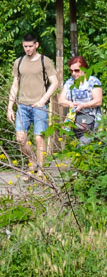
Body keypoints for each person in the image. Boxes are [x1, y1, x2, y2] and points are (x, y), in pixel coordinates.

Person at [6, 34, 58, 173]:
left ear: (36, 45)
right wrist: (10, 107)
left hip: (39, 105)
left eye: (30, 46)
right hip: (22, 105)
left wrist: (43, 100)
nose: (27, 49)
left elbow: (55, 83)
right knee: (20, 139)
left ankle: (40, 170)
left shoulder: (44, 61)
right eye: (25, 46)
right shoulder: (19, 62)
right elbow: (15, 85)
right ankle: (32, 162)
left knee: (38, 138)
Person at [57, 55, 103, 142]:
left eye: (77, 70)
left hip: (91, 119)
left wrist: (83, 105)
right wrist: (70, 104)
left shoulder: (93, 81)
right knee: (72, 146)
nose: (74, 73)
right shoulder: (69, 82)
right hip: (73, 120)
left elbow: (98, 101)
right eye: (71, 71)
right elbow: (61, 100)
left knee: (84, 145)